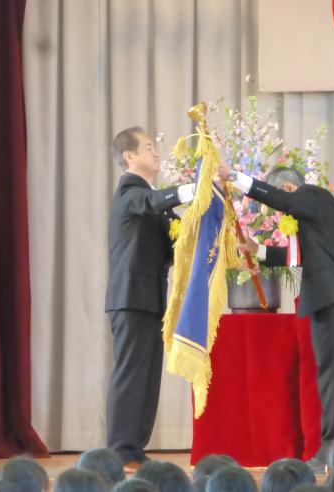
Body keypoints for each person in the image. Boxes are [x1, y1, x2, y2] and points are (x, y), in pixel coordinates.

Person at [224, 166, 334, 472]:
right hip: (333, 301)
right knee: (331, 379)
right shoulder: (314, 219)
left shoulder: (313, 196)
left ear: (289, 189)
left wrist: (234, 178)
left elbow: (283, 202)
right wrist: (256, 250)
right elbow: (296, 256)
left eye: (278, 198)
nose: (276, 211)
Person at [105, 127, 194, 471]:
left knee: (146, 375)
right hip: (130, 298)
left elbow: (175, 244)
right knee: (131, 374)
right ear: (129, 157)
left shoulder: (151, 199)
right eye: (148, 147)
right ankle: (119, 450)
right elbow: (152, 203)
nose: (156, 153)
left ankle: (133, 449)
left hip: (148, 299)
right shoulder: (131, 191)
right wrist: (193, 189)